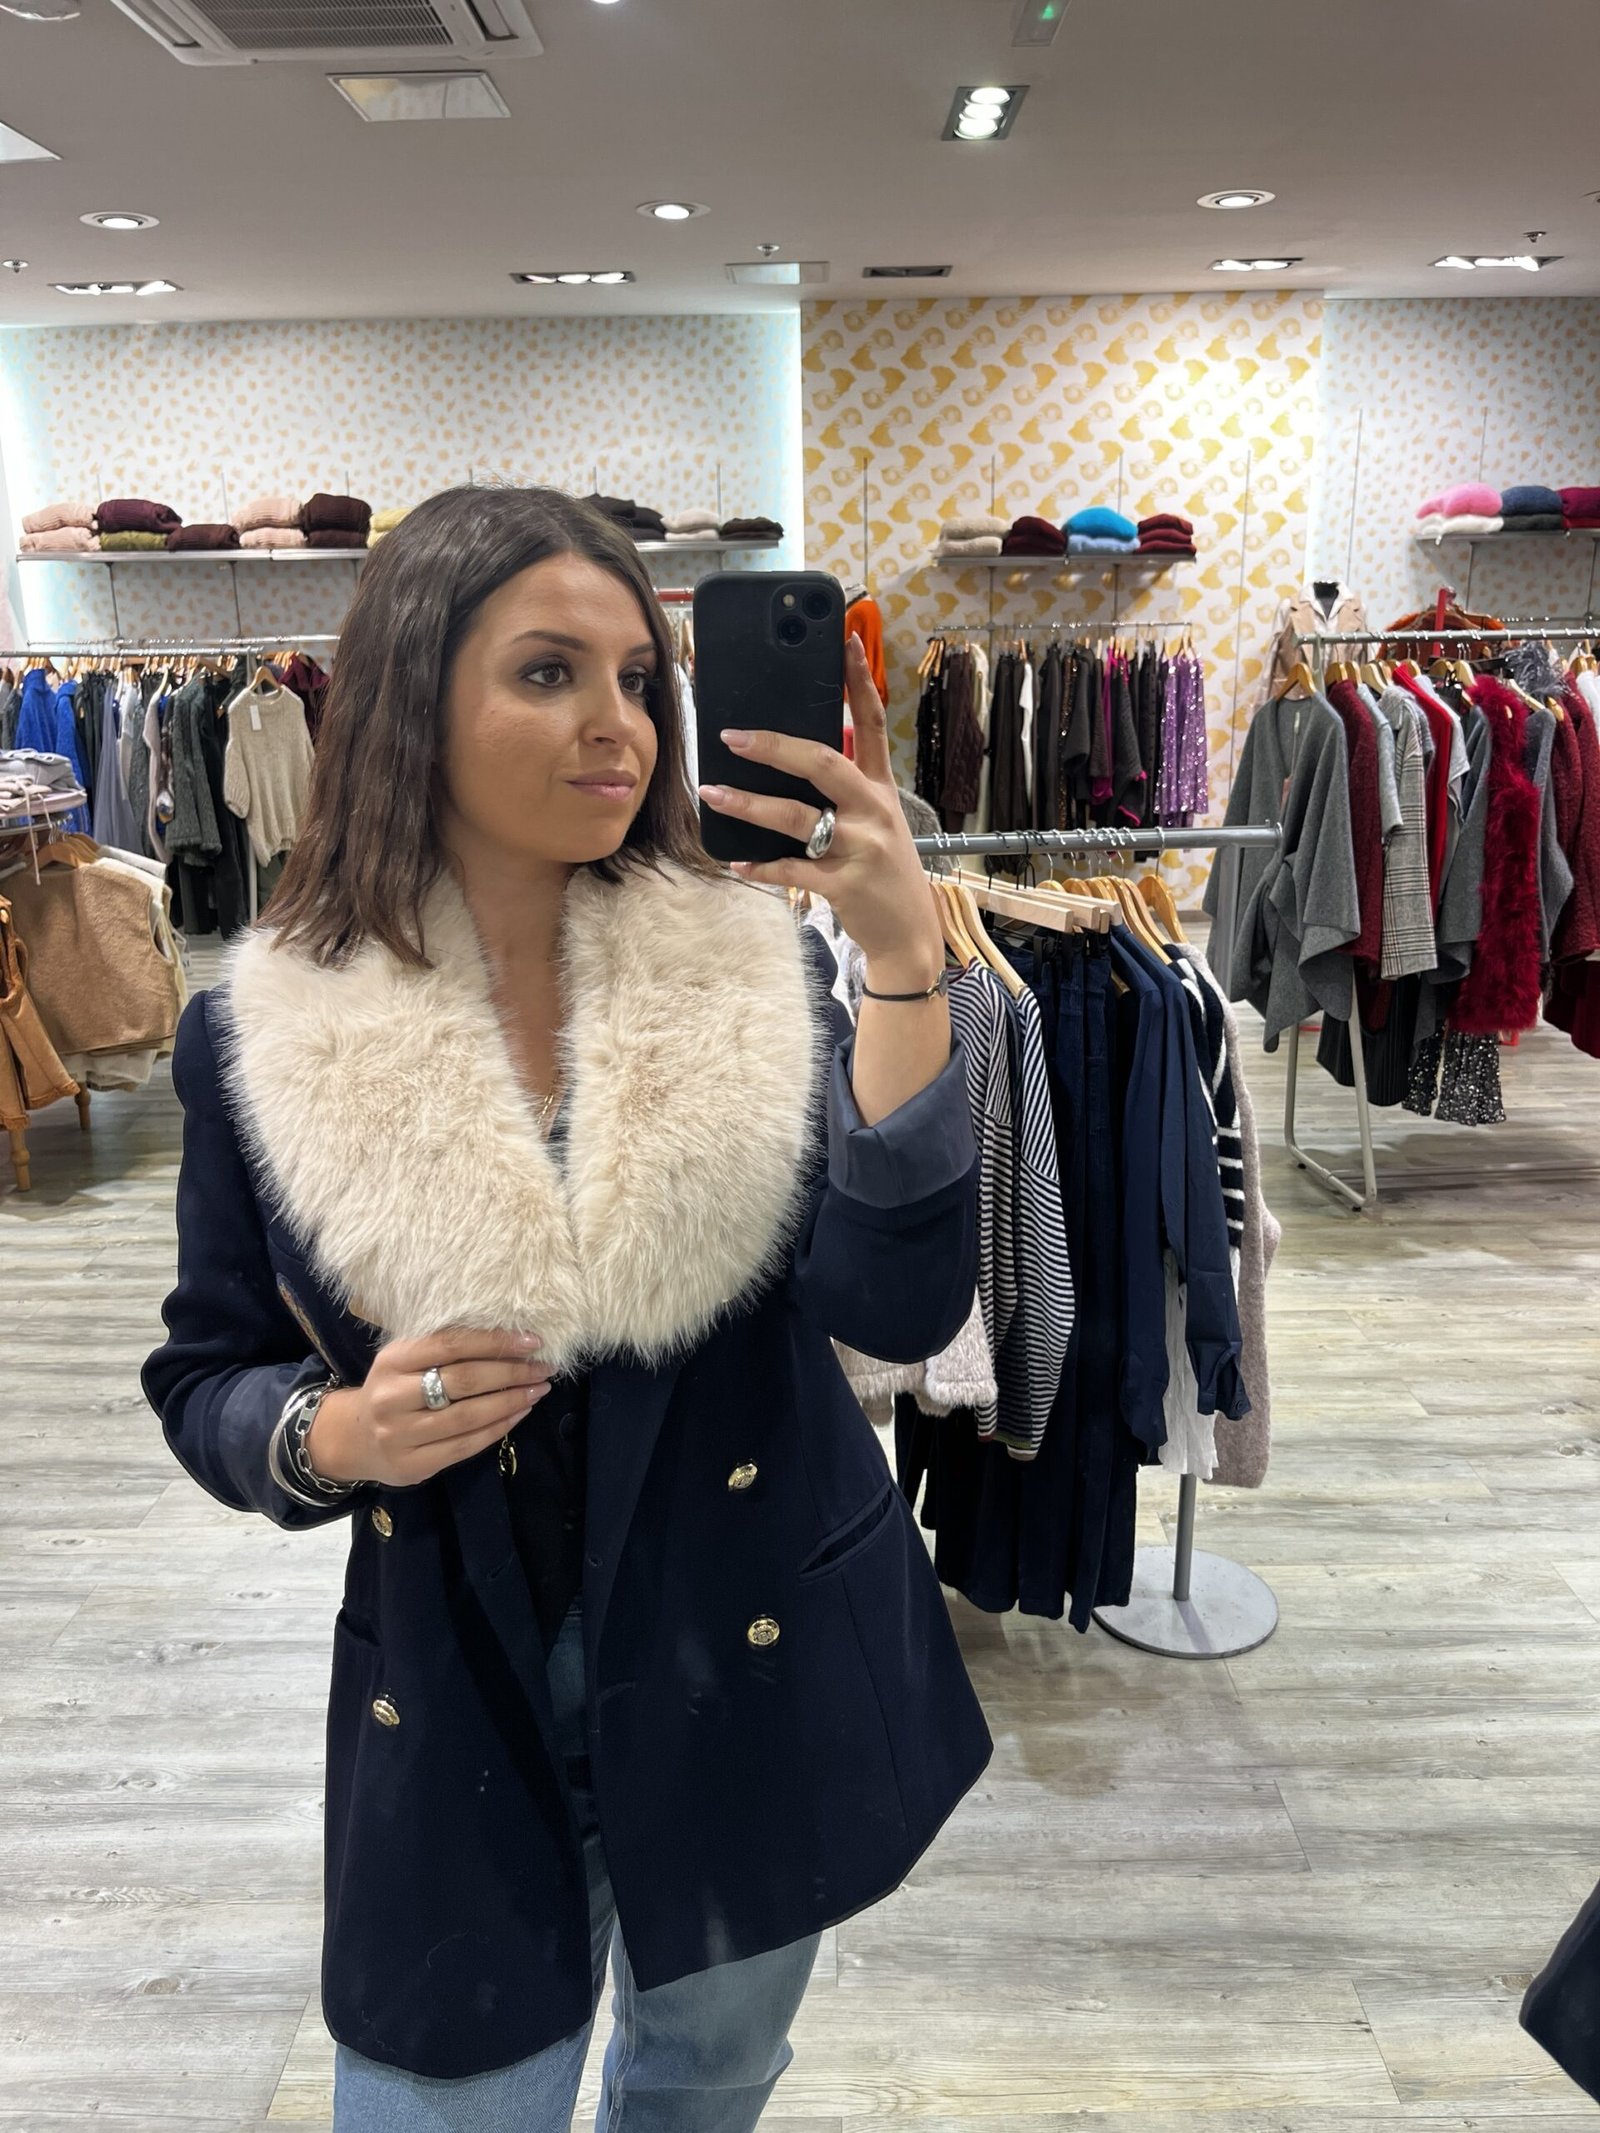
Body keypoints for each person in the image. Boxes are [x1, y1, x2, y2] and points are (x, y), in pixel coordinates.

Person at [143, 485, 992, 2132]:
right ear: (414, 697)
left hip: (750, 1659)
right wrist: (337, 1434)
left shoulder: (753, 972)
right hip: (465, 1684)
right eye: (549, 672)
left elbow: (896, 1300)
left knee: (706, 2081)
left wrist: (902, 960)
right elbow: (206, 1375)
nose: (619, 725)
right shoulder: (267, 1034)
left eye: (639, 679)